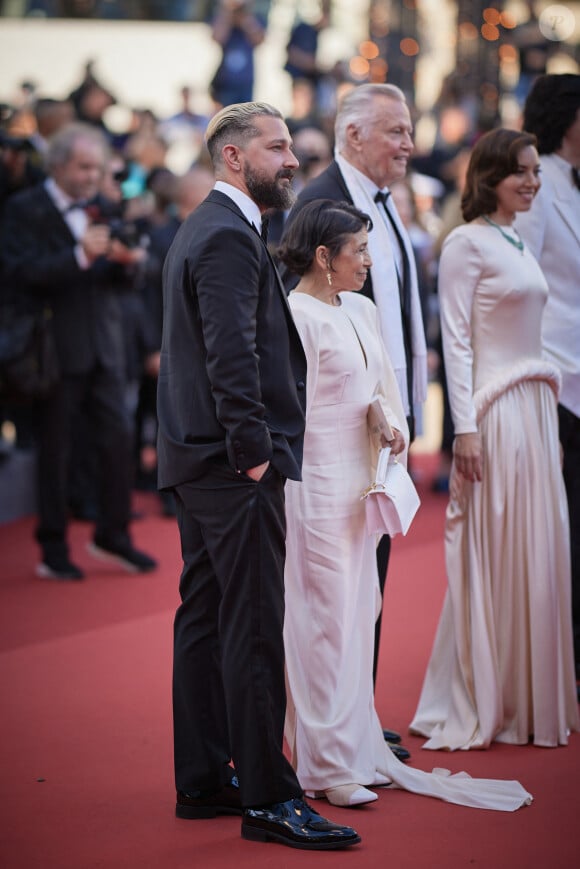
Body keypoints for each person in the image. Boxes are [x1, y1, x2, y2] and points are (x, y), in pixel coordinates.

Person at [278, 197, 533, 814]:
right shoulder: (293, 314)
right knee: (323, 622)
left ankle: (357, 746)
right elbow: (288, 404)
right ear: (323, 257)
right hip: (312, 482)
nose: (369, 261)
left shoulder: (360, 307)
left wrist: (386, 421)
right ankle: (324, 764)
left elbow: (373, 389)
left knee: (361, 611)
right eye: (358, 251)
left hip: (361, 483)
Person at [156, 102, 360, 851]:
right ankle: (270, 798)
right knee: (249, 627)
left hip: (199, 455)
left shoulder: (214, 227)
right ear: (234, 157)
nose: (291, 158)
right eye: (276, 147)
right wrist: (253, 451)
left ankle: (206, 776)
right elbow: (227, 354)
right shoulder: (223, 236)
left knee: (206, 618)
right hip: (230, 462)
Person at [409, 128, 579, 750]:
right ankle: (491, 694)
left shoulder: (515, 239)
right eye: (521, 173)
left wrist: (550, 416)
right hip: (495, 416)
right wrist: (464, 431)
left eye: (536, 171)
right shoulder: (466, 243)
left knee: (539, 547)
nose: (533, 181)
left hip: (534, 412)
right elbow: (454, 342)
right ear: (491, 177)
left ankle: (530, 697)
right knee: (499, 548)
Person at [282, 82, 428, 753]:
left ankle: (355, 718)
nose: (408, 144)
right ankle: (333, 733)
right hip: (321, 452)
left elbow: (392, 316)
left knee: (366, 589)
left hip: (377, 434)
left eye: (408, 131)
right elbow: (293, 348)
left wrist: (398, 412)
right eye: (395, 131)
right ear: (353, 135)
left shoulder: (384, 202)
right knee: (328, 601)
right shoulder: (317, 206)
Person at [0, 122, 157, 579]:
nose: (92, 176)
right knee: (57, 451)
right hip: (53, 350)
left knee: (118, 443)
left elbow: (123, 282)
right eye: (83, 167)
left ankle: (114, 536)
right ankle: (53, 548)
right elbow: (16, 273)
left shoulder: (103, 209)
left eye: (97, 168)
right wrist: (79, 258)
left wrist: (129, 265)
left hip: (105, 347)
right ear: (58, 165)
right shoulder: (23, 209)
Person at [514, 74, 580, 697]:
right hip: (555, 378)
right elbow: (523, 284)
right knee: (565, 527)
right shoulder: (539, 185)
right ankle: (562, 665)